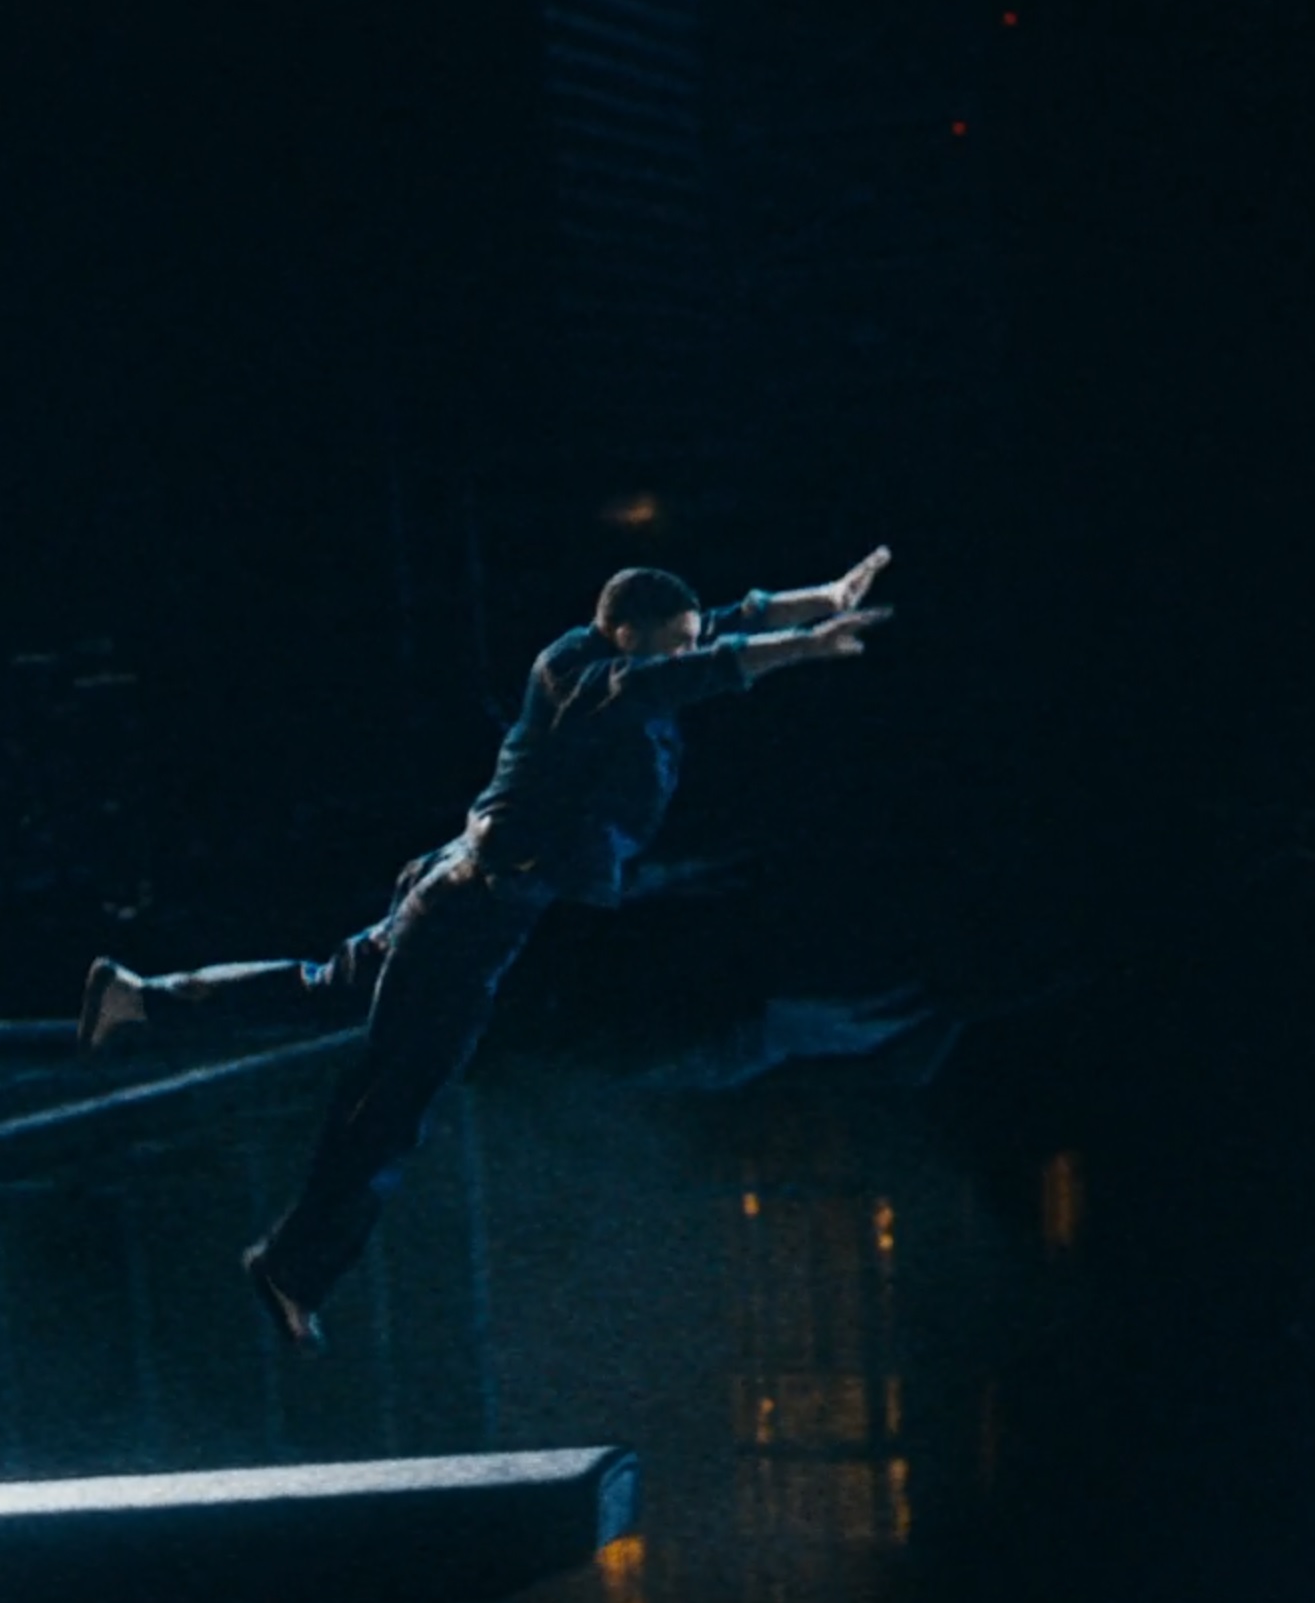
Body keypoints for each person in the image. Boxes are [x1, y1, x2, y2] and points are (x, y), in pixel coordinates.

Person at [79, 546, 899, 1350]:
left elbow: (725, 624)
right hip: (467, 915)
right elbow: (681, 674)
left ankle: (135, 997)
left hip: (460, 891)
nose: (688, 649)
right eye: (674, 641)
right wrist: (803, 649)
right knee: (391, 1102)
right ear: (627, 634)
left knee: (326, 990)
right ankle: (290, 1265)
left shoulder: (633, 649)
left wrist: (822, 598)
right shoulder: (579, 677)